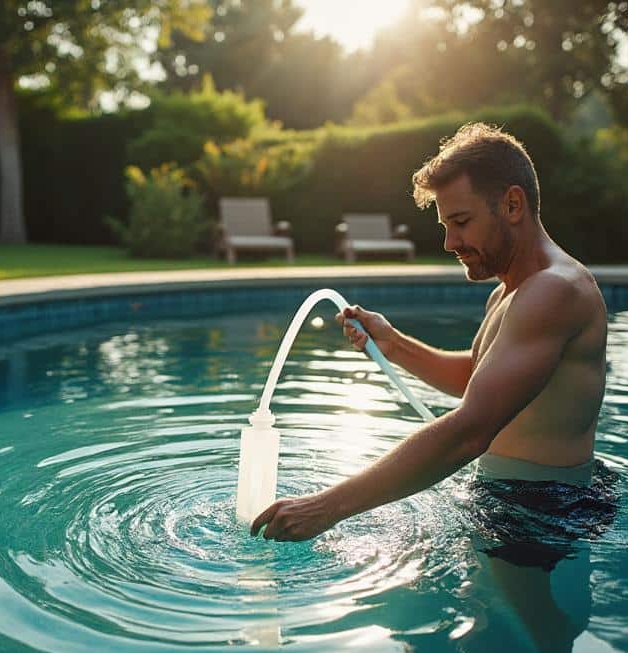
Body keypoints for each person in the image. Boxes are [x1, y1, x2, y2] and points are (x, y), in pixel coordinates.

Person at [251, 122, 608, 541]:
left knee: (514, 612)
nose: (448, 242)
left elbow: (471, 430)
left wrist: (325, 507)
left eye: (460, 221)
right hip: (509, 494)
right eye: (445, 225)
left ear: (513, 205)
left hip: (543, 508)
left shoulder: (554, 291)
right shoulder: (510, 292)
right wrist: (395, 345)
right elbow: (478, 379)